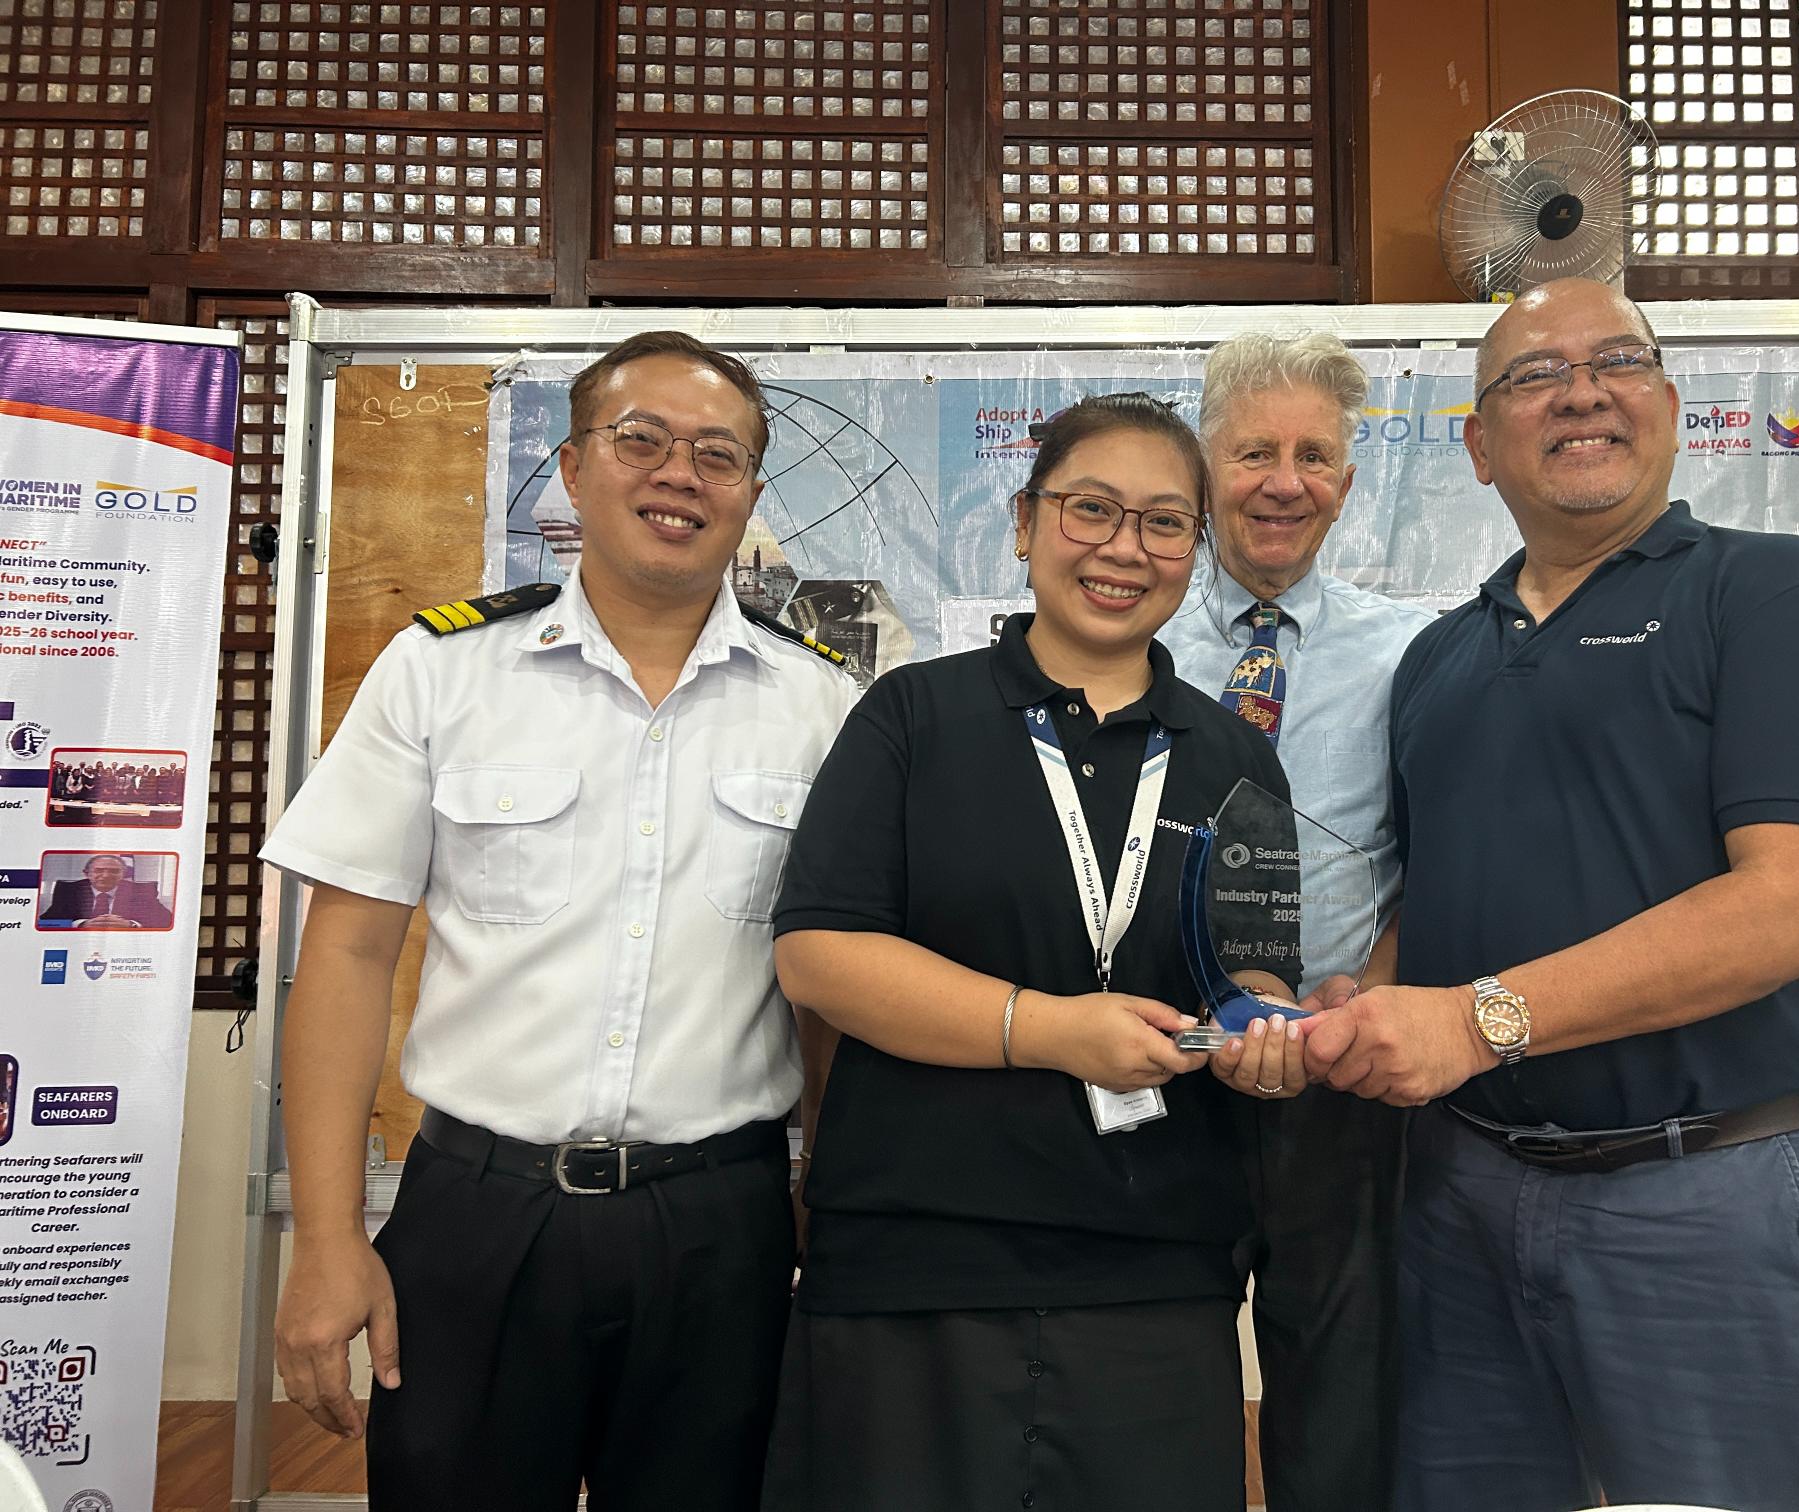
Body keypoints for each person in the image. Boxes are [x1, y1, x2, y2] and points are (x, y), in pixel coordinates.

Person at [1302, 277, 1799, 1512]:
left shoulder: (1777, 593)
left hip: (1709, 1193)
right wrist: (1365, 1002)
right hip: (1463, 1200)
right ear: (1480, 447)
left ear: (1671, 408)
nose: (1580, 392)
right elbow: (1440, 890)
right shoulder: (1440, 657)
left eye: (1616, 361)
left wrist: (1474, 1021)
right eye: (1534, 375)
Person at [260, 330, 857, 1512]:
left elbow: (829, 988)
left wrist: (822, 1199)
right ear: (575, 469)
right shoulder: (442, 670)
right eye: (641, 440)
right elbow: (348, 954)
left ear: (750, 494)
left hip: (722, 1225)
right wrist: (326, 1239)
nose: (678, 474)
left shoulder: (823, 704)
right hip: (477, 1219)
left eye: (719, 455)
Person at [763, 393, 1306, 1512]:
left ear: (1197, 548)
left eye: (1164, 523)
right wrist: (1051, 1031)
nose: (1124, 548)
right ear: (1023, 523)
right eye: (1090, 509)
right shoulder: (911, 718)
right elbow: (819, 955)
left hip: (1155, 1275)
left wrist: (1266, 1036)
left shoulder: (1232, 756)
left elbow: (1250, 970)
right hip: (915, 1269)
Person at [1161, 331, 1433, 1511]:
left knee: (1345, 1414)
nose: (1285, 482)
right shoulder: (1125, 637)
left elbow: (1438, 859)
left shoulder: (1413, 653)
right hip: (1158, 1074)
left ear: (1349, 482)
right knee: (1153, 1406)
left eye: (1314, 456)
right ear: (1202, 467)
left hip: (1340, 1082)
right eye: (1254, 453)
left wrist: (1375, 987)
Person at [39, 852, 173, 928]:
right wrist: (81, 924)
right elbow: (47, 923)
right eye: (99, 871)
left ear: (123, 874)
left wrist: (131, 925)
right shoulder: (70, 890)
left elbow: (166, 921)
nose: (106, 875)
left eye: (114, 871)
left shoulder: (142, 891)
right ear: (87, 874)